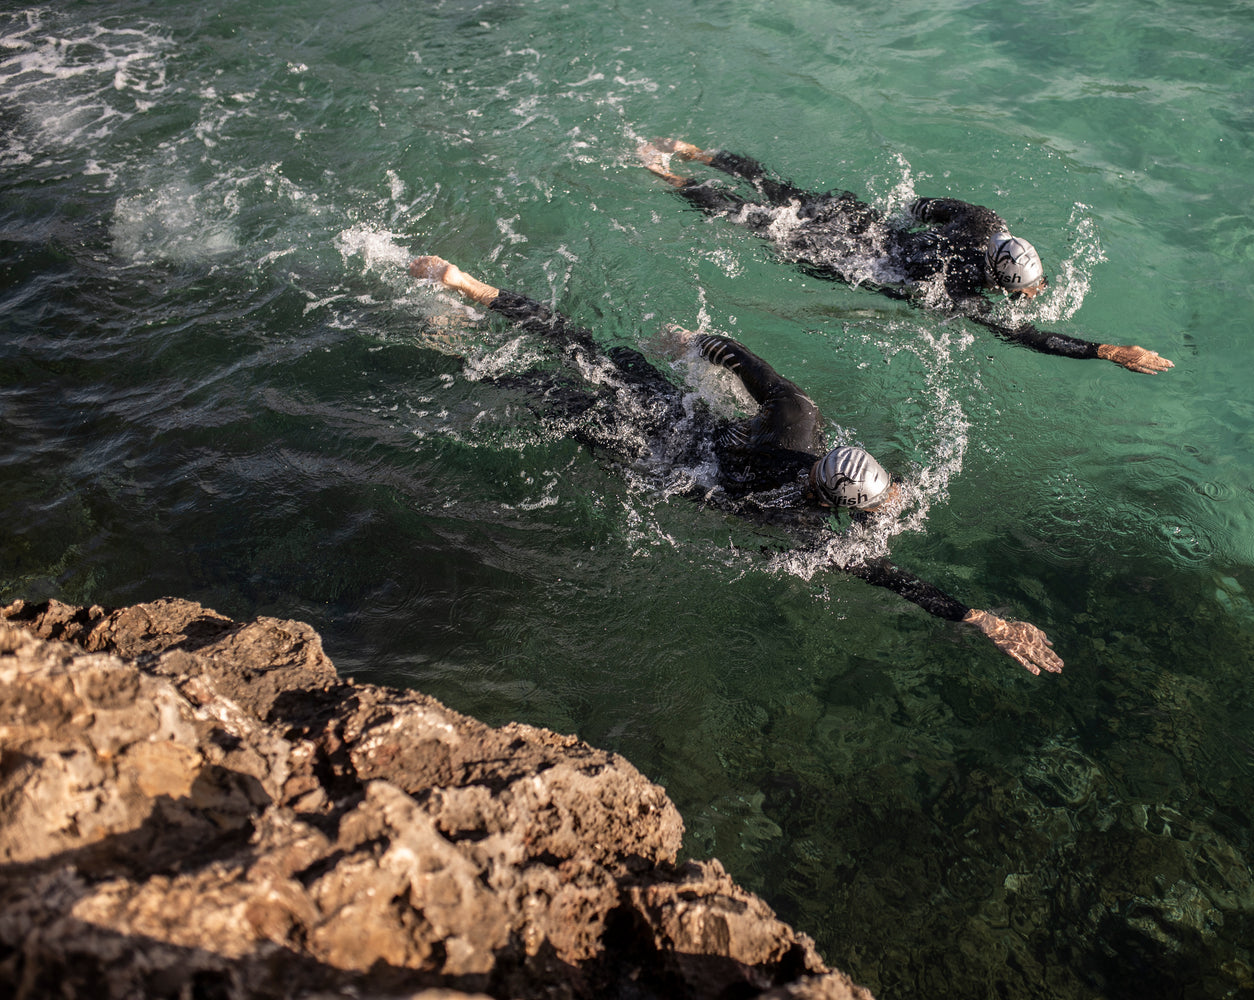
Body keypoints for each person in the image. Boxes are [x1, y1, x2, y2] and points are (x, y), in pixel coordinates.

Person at [409, 254, 1063, 675]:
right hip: (658, 465)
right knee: (549, 397)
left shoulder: (799, 421)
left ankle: (466, 284)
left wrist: (694, 342)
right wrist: (980, 618)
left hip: (681, 420)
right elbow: (894, 579)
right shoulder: (805, 528)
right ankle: (454, 346)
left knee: (577, 344)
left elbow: (748, 362)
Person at [637, 139, 1173, 375]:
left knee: (781, 194)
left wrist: (910, 221)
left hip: (867, 223)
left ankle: (691, 151)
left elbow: (924, 205)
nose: (1036, 292)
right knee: (747, 218)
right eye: (1025, 289)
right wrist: (1103, 350)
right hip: (848, 256)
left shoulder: (985, 221)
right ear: (997, 276)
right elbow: (1025, 336)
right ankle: (668, 177)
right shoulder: (959, 293)